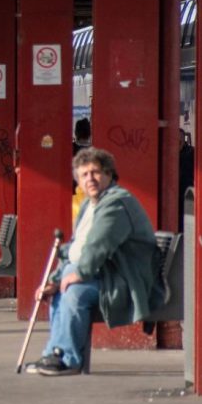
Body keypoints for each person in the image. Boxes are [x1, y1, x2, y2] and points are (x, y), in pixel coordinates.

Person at [28, 148, 161, 376]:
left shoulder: (116, 203)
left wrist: (79, 274)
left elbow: (99, 244)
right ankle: (55, 353)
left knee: (75, 292)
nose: (90, 178)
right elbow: (74, 247)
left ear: (109, 174)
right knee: (60, 288)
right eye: (84, 175)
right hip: (105, 274)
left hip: (127, 279)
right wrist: (54, 280)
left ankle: (69, 359)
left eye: (96, 172)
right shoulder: (89, 205)